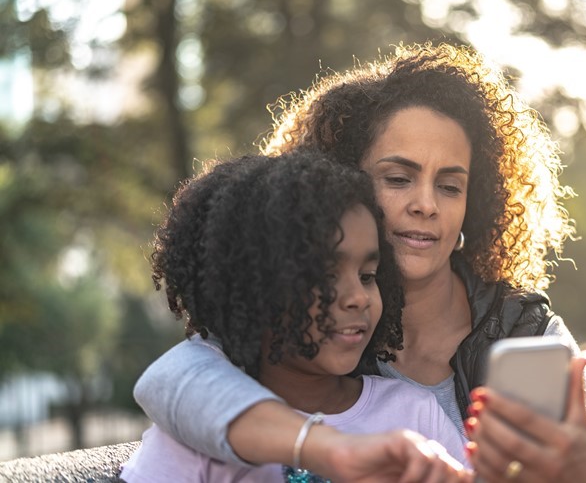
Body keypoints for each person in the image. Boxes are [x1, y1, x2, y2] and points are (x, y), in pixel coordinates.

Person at [134, 42, 586, 482]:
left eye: (450, 186)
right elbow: (170, 381)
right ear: (343, 183)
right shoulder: (299, 328)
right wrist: (334, 451)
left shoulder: (523, 330)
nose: (426, 204)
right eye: (398, 178)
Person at [121, 152, 472, 482]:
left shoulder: (414, 416)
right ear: (250, 285)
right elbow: (168, 375)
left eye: (367, 275)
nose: (357, 298)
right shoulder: (195, 433)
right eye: (320, 277)